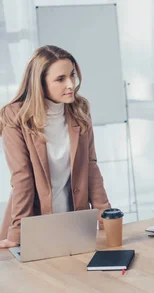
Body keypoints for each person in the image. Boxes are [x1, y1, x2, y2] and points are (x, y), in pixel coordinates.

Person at [0, 45, 111, 248]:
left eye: (72, 76)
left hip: (75, 221)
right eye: (60, 79)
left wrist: (106, 219)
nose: (70, 85)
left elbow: (91, 166)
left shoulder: (79, 109)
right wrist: (16, 234)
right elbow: (21, 177)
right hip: (34, 222)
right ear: (39, 83)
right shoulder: (14, 116)